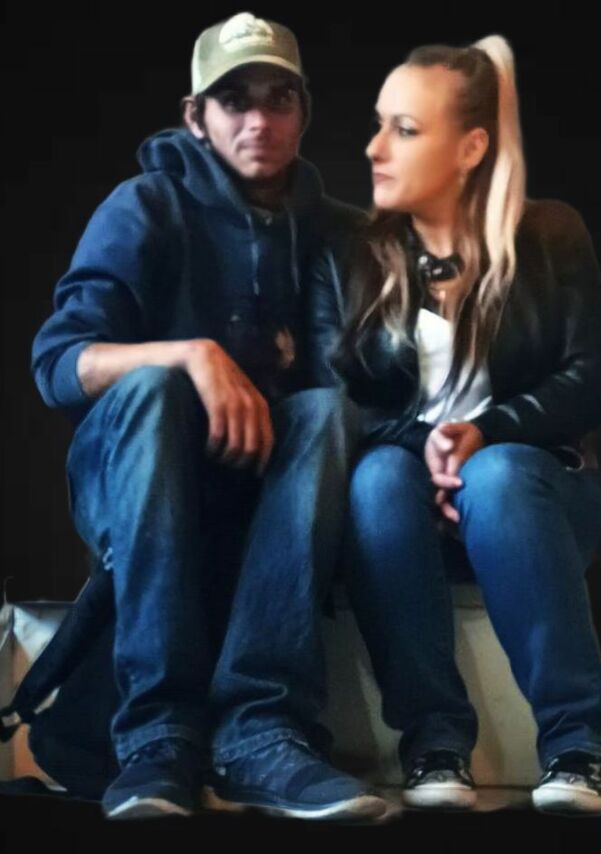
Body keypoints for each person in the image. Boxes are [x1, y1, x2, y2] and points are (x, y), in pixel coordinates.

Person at [31, 11, 386, 822]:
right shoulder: (145, 205)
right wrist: (192, 354)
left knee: (328, 411)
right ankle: (157, 738)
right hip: (139, 473)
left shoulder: (335, 232)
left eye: (279, 98)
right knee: (154, 390)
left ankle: (262, 733)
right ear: (196, 116)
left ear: (304, 111)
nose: (259, 120)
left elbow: (378, 376)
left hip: (265, 488)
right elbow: (58, 364)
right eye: (234, 100)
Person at [310, 34, 601, 816]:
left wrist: (485, 433)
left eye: (405, 129)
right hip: (405, 512)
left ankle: (578, 746)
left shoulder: (550, 234)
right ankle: (435, 743)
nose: (374, 147)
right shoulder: (357, 255)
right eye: (378, 124)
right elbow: (341, 401)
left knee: (500, 474)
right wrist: (432, 453)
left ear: (470, 148)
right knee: (378, 479)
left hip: (534, 499)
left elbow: (592, 380)